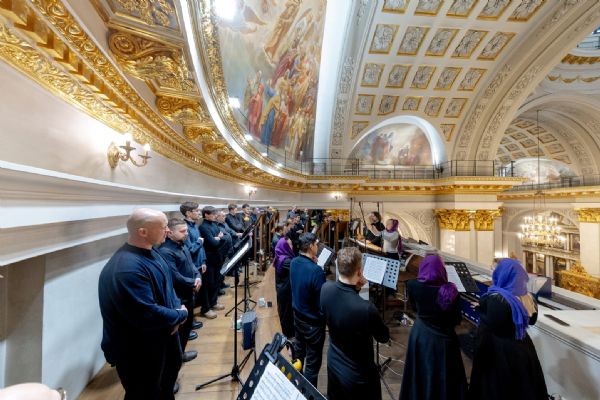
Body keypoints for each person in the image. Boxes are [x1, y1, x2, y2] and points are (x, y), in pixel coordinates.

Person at [98, 208, 188, 400]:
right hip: (138, 350)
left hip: (162, 336)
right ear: (143, 232)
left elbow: (168, 286)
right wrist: (180, 315)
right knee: (145, 393)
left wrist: (175, 312)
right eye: (163, 227)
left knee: (166, 384)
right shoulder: (126, 268)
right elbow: (147, 314)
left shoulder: (153, 251)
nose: (168, 231)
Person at [468, 258, 548, 400]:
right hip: (522, 347)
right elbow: (532, 320)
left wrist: (480, 309)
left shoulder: (496, 299)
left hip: (499, 351)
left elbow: (492, 323)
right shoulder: (528, 298)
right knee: (523, 388)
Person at [320, 247, 389, 400]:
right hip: (358, 375)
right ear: (359, 272)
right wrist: (362, 289)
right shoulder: (366, 308)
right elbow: (384, 337)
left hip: (334, 364)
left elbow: (344, 303)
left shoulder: (325, 289)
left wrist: (356, 290)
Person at [399, 254, 467, 400]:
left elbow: (414, 309)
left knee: (419, 373)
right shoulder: (451, 291)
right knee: (444, 378)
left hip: (420, 335)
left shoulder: (412, 285)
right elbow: (456, 320)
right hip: (444, 340)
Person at [158, 218, 202, 363]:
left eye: (187, 230)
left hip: (189, 291)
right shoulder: (165, 251)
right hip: (179, 296)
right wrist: (193, 282)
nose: (186, 233)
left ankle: (181, 354)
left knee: (187, 327)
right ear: (170, 233)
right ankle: (177, 359)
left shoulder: (181, 244)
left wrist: (198, 276)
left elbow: (191, 265)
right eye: (183, 231)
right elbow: (175, 277)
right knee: (180, 331)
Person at [290, 232, 326, 387]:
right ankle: (309, 395)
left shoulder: (294, 262)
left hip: (298, 317)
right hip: (312, 323)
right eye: (316, 244)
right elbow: (321, 302)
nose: (317, 246)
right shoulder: (316, 271)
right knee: (312, 365)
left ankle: (296, 388)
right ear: (311, 246)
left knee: (298, 356)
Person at [180, 202, 207, 325]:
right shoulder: (184, 228)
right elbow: (189, 250)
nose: (199, 213)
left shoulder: (194, 225)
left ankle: (192, 319)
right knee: (191, 296)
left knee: (197, 294)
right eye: (196, 211)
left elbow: (200, 247)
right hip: (192, 265)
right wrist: (199, 242)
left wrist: (203, 261)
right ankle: (188, 323)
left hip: (199, 263)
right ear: (188, 213)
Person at [198, 206, 225, 316]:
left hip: (217, 256)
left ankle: (213, 302)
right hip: (209, 257)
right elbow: (213, 243)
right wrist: (218, 238)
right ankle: (206, 308)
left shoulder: (213, 224)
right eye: (213, 214)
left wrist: (218, 238)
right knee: (208, 283)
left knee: (216, 281)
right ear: (206, 215)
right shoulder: (203, 227)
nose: (215, 216)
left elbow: (222, 237)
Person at [273, 234, 296, 339]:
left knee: (286, 313)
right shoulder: (286, 261)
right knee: (286, 315)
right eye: (290, 245)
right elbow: (297, 267)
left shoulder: (280, 256)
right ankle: (287, 336)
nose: (292, 247)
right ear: (285, 247)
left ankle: (289, 333)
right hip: (285, 291)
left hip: (282, 289)